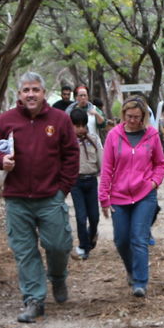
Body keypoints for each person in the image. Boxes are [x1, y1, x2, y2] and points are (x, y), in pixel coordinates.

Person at [0, 72, 78, 323]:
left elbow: (71, 155)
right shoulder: (6, 120)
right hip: (17, 197)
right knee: (24, 251)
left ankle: (58, 277)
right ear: (19, 95)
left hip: (50, 197)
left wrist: (62, 189)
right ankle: (34, 299)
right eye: (26, 90)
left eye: (35, 89)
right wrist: (0, 160)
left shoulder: (59, 120)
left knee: (58, 245)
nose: (31, 94)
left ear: (44, 93)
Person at [100, 98, 164, 298]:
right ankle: (130, 269)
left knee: (138, 237)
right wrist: (104, 197)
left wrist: (154, 182)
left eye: (137, 117)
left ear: (144, 117)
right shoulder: (114, 135)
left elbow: (160, 163)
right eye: (129, 117)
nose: (133, 121)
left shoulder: (152, 135)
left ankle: (140, 281)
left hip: (144, 194)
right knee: (121, 239)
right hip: (119, 195)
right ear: (123, 116)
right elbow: (107, 168)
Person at [69, 106, 103, 258]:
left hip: (92, 181)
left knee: (94, 217)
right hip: (76, 183)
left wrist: (105, 178)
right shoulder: (67, 142)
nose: (81, 129)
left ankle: (92, 234)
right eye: (77, 126)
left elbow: (101, 159)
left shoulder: (94, 139)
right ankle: (84, 247)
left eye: (83, 125)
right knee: (81, 217)